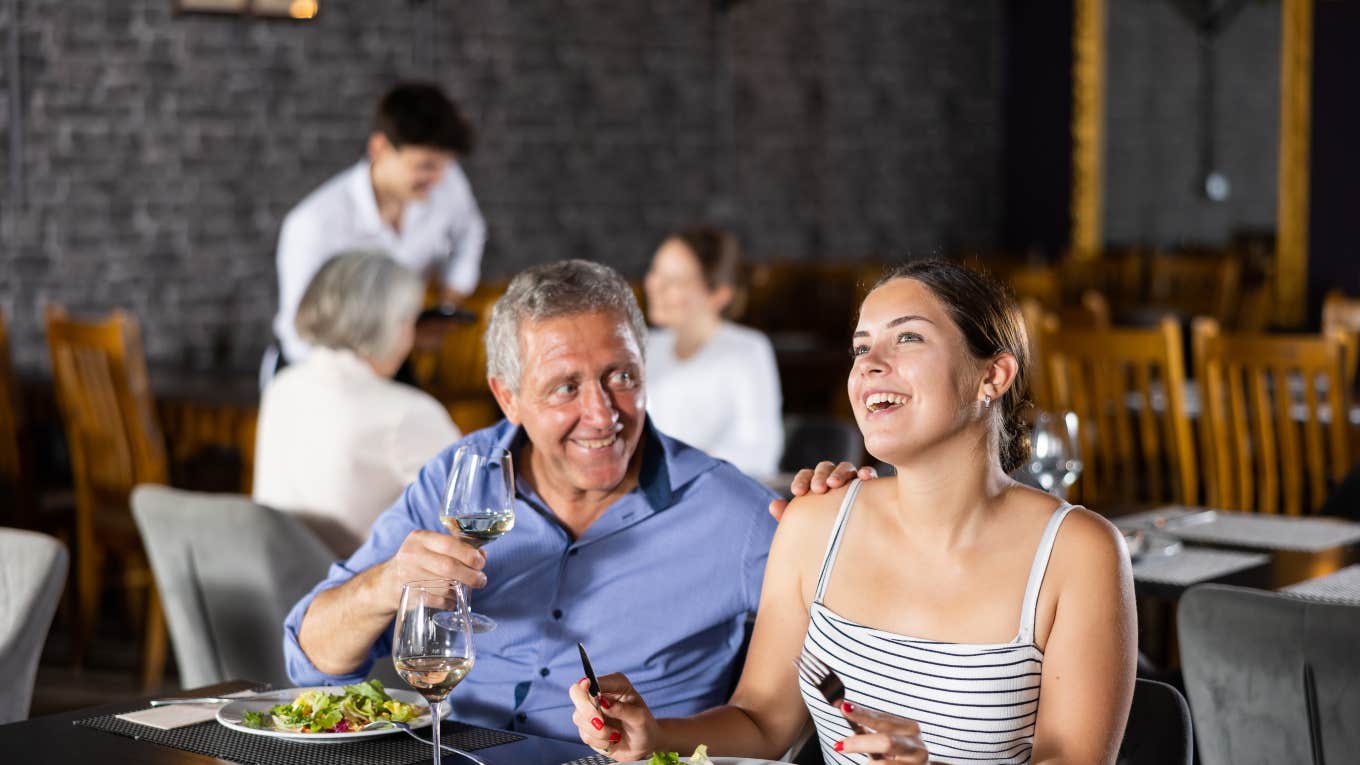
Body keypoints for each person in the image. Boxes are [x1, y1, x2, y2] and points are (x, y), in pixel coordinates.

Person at [569, 260, 1137, 764]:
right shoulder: (815, 522)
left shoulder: (1078, 553)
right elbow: (764, 723)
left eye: (907, 338)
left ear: (993, 375)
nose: (870, 364)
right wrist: (653, 735)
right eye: (862, 347)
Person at [282, 259, 780, 741]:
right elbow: (310, 659)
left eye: (622, 377)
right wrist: (388, 583)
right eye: (566, 388)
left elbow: (823, 676)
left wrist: (839, 507)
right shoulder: (460, 477)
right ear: (508, 398)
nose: (602, 415)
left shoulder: (736, 512)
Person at [267, 81, 486, 375]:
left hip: (393, 356)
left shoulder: (447, 183)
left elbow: (470, 231)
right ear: (380, 148)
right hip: (315, 369)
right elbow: (300, 336)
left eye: (445, 166)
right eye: (425, 166)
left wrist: (452, 293)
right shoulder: (315, 223)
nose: (437, 179)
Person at [253, 250, 460, 556]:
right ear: (391, 324)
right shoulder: (406, 412)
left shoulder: (282, 386)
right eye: (409, 320)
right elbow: (477, 505)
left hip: (278, 584)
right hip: (357, 592)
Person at [643, 226, 783, 480]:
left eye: (674, 281)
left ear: (719, 294)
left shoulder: (747, 351)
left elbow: (761, 453)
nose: (656, 286)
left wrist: (683, 462)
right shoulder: (646, 347)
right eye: (655, 272)